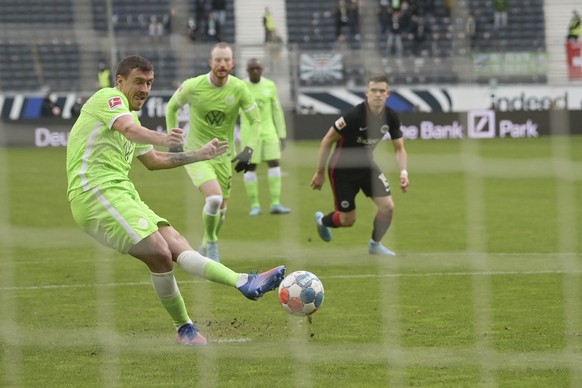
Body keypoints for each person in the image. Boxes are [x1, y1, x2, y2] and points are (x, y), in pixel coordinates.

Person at [66, 55, 285, 346]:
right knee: (159, 251)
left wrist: (199, 154)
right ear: (120, 82)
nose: (145, 89)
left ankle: (243, 281)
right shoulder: (109, 98)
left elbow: (154, 161)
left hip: (122, 193)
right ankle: (184, 326)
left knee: (175, 242)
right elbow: (130, 131)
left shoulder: (134, 119)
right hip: (94, 193)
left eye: (150, 83)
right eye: (139, 82)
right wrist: (163, 136)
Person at [166, 42, 262, 263]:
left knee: (222, 209)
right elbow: (171, 107)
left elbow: (255, 120)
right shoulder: (193, 86)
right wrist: (175, 139)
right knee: (215, 198)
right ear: (210, 62)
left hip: (223, 155)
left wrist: (249, 148)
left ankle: (204, 245)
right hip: (196, 153)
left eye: (226, 60)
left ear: (233, 63)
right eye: (218, 60)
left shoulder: (239, 88)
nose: (222, 64)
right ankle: (212, 243)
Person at [310, 74, 409, 256]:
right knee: (348, 220)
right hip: (341, 171)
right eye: (374, 90)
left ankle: (375, 245)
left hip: (367, 167)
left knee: (388, 206)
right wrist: (320, 172)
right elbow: (327, 141)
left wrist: (403, 172)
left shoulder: (391, 117)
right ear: (366, 92)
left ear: (388, 94)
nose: (378, 94)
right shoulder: (353, 116)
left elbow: (399, 148)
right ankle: (323, 221)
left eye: (382, 91)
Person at [240, 58, 290, 216]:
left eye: (258, 68)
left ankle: (275, 203)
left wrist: (282, 134)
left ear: (262, 70)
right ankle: (255, 205)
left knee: (274, 163)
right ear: (247, 70)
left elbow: (277, 110)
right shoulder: (241, 86)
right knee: (250, 167)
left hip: (269, 132)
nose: (255, 71)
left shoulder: (270, 85)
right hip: (249, 135)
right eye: (252, 68)